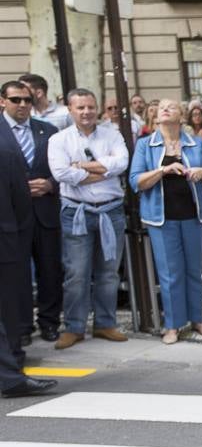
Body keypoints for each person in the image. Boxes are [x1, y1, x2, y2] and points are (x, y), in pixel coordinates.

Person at [129, 99, 202, 344]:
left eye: (172, 106)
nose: (165, 109)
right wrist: (163, 171)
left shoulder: (196, 143)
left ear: (182, 116)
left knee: (193, 270)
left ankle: (197, 319)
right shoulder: (146, 145)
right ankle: (173, 325)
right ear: (156, 117)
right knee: (170, 273)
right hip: (161, 218)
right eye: (161, 107)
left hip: (194, 215)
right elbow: (135, 181)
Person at [47, 88, 130, 350]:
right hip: (76, 212)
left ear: (98, 108)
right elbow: (61, 173)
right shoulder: (59, 140)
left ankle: (105, 323)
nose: (86, 112)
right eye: (80, 107)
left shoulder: (112, 134)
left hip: (111, 211)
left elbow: (122, 163)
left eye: (90, 107)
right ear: (70, 110)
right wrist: (105, 171)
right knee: (76, 273)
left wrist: (81, 166)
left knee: (108, 273)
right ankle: (74, 327)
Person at [0, 80, 61, 345]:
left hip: (45, 211)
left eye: (27, 100)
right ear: (2, 101)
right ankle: (21, 327)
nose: (23, 105)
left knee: (50, 269)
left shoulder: (48, 131)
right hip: (10, 218)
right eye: (16, 100)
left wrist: (51, 184)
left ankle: (49, 322)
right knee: (17, 274)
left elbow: (63, 167)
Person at [1, 131, 55, 399]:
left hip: (8, 242)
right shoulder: (8, 153)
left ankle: (11, 372)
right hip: (8, 242)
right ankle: (10, 376)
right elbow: (21, 205)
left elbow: (21, 205)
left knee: (9, 312)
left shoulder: (7, 154)